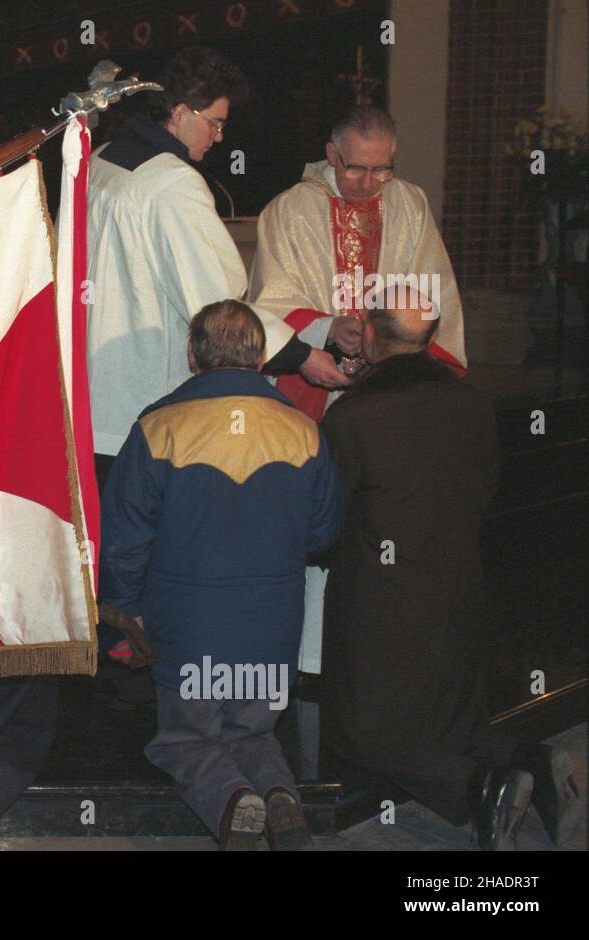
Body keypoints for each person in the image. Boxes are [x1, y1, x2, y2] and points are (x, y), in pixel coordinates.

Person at [86, 47, 346, 681]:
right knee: (157, 561)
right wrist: (305, 355)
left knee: (108, 553)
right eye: (215, 122)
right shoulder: (173, 185)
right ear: (180, 113)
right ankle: (153, 689)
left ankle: (105, 670)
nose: (220, 136)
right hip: (149, 405)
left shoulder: (102, 162)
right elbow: (220, 308)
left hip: (93, 395)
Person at [320, 291, 582, 850]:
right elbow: (485, 488)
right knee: (451, 718)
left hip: (381, 594)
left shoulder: (355, 415)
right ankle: (534, 759)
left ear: (368, 334)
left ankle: (484, 787)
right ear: (429, 338)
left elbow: (328, 519)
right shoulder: (472, 403)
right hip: (461, 580)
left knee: (361, 731)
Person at [100, 300, 343, 849]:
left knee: (185, 740)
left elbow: (123, 540)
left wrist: (122, 610)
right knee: (252, 731)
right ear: (261, 357)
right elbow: (324, 533)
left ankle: (234, 803)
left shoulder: (159, 427)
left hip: (186, 627)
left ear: (192, 355)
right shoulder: (302, 430)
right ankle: (279, 796)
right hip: (272, 623)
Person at [249, 106, 468, 675]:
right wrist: (328, 327)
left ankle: (372, 652)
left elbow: (431, 291)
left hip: (388, 401)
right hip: (315, 391)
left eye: (382, 170)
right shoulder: (289, 211)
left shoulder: (409, 205)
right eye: (355, 170)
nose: (369, 184)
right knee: (316, 519)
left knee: (380, 523)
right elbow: (268, 302)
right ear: (331, 154)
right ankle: (308, 658)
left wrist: (388, 341)